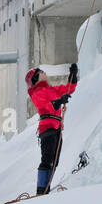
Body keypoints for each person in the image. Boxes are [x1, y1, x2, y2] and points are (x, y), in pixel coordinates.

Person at [25, 64, 78, 195]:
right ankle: (41, 190)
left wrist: (73, 76)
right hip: (47, 127)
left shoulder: (52, 90)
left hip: (57, 127)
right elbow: (45, 106)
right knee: (47, 159)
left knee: (55, 161)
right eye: (41, 72)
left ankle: (46, 187)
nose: (44, 73)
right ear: (36, 78)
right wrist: (60, 101)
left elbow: (69, 89)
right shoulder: (37, 92)